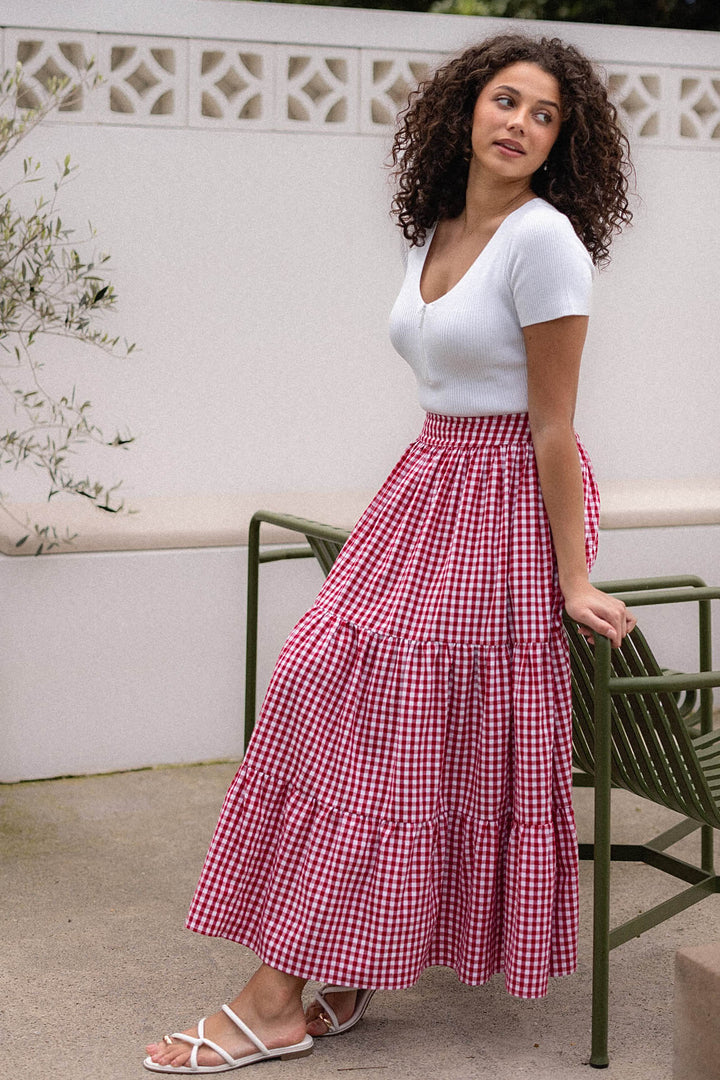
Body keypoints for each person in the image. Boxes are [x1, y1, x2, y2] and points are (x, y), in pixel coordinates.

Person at [145, 31, 636, 1074]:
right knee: (321, 676)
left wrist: (572, 576)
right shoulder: (439, 228)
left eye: (543, 115)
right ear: (466, 109)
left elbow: (551, 426)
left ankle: (279, 995)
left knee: (392, 726)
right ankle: (347, 960)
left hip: (499, 498)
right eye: (505, 100)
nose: (518, 123)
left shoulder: (546, 242)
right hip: (425, 481)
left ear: (560, 143)